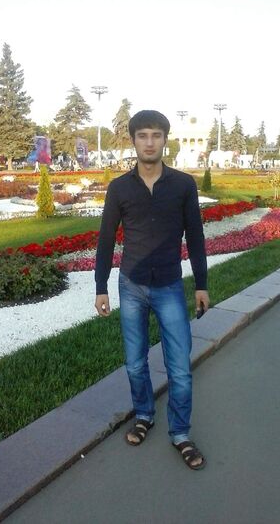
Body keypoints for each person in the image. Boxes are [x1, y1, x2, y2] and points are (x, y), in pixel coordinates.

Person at [95, 110, 209, 470]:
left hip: (169, 286)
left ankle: (180, 433)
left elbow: (195, 236)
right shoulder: (119, 188)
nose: (149, 142)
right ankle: (144, 415)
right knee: (134, 363)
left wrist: (202, 284)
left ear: (165, 140)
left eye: (156, 135)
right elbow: (106, 239)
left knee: (179, 367)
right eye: (142, 135)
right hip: (131, 285)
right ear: (133, 141)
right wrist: (101, 287)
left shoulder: (183, 185)